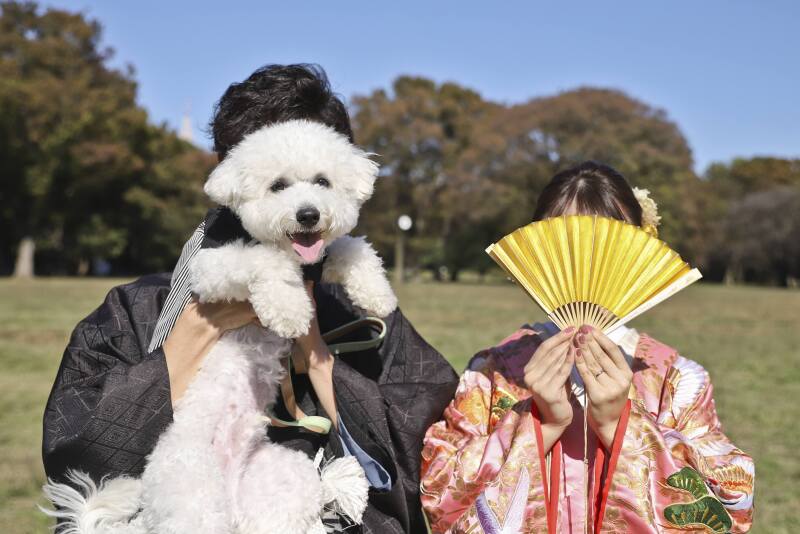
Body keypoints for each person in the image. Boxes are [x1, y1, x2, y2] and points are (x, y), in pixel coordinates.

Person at [42, 63, 459, 534]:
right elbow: (79, 452)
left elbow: (430, 447)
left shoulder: (364, 313)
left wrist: (317, 357)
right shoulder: (132, 313)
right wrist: (197, 331)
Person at [420, 161, 754, 533]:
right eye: (562, 244)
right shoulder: (494, 372)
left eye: (607, 246)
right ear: (535, 256)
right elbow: (439, 494)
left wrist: (621, 426)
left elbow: (729, 507)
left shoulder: (675, 380)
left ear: (638, 252)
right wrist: (539, 424)